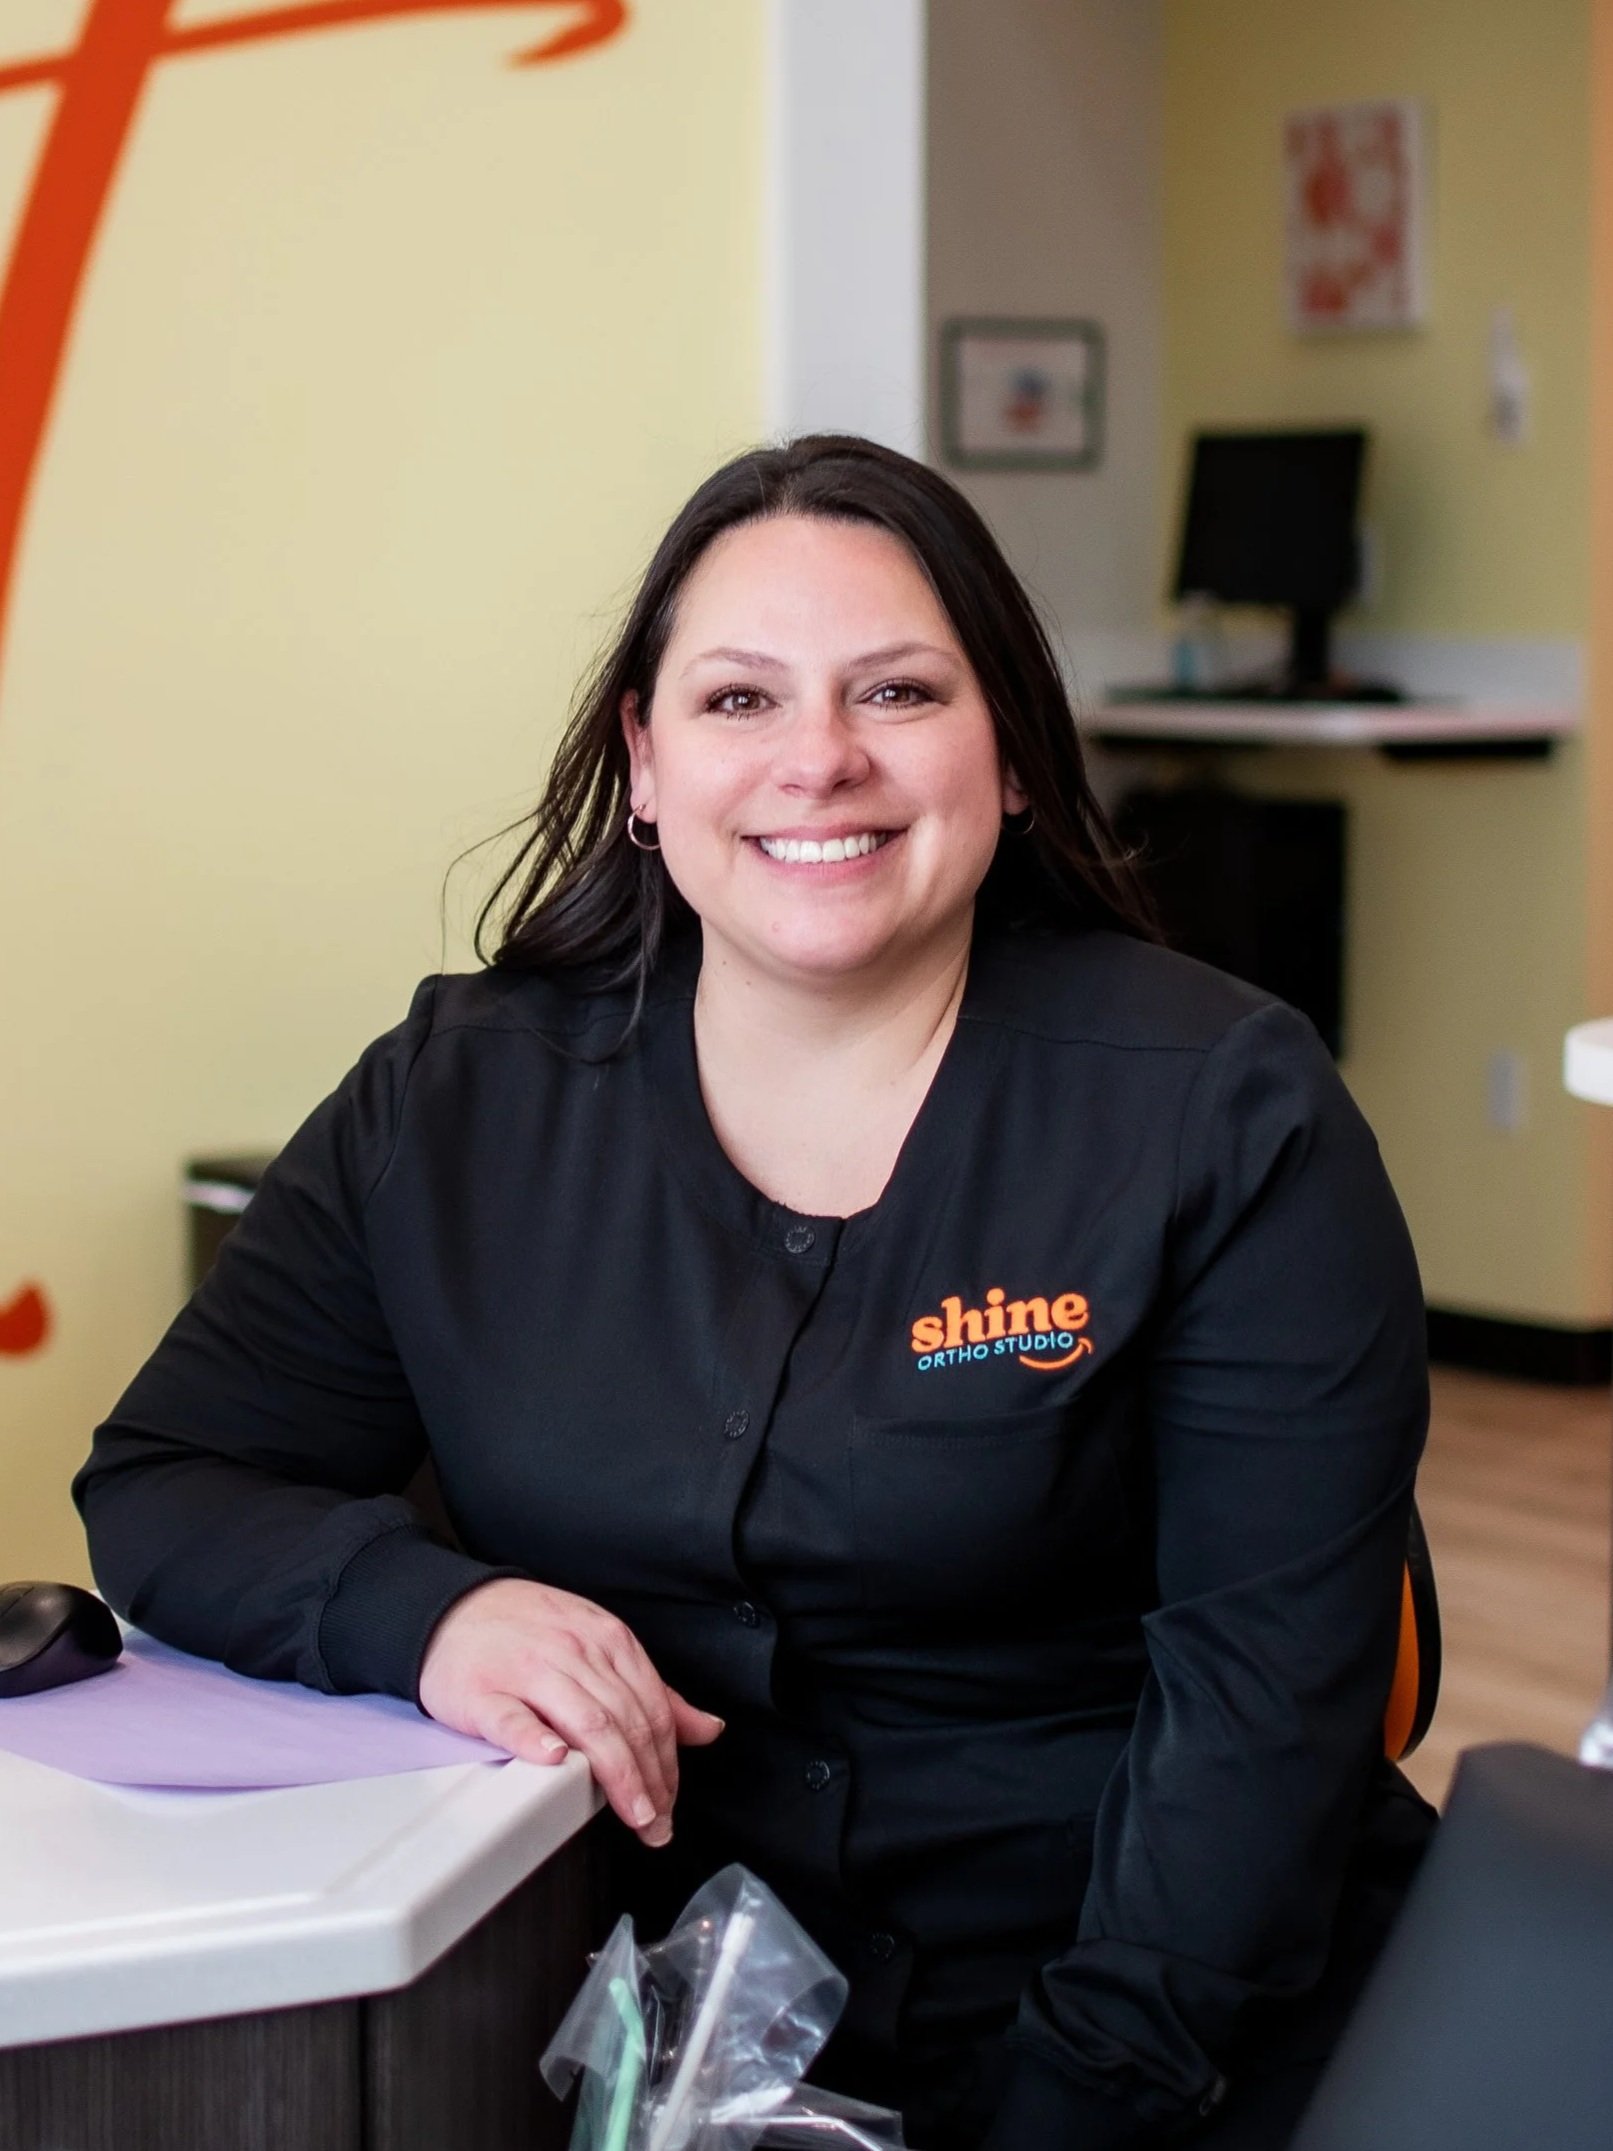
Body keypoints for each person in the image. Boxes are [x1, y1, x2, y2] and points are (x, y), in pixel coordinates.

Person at [75, 434, 1434, 2150]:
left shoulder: (1222, 1108)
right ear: (642, 762)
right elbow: (169, 1482)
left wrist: (1071, 2107)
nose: (820, 761)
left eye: (897, 692)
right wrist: (427, 1613)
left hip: (1170, 2036)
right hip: (637, 2043)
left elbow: (1259, 1717)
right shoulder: (453, 1100)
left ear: (1008, 754)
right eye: (736, 702)